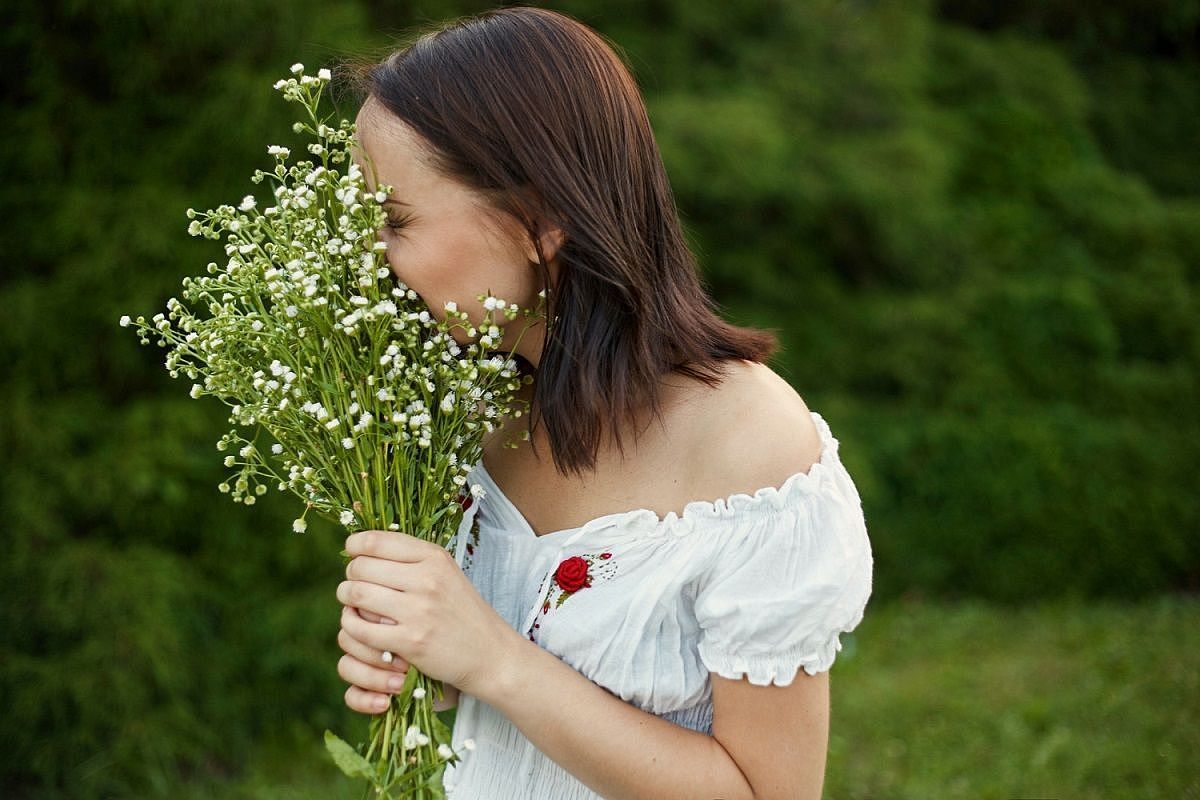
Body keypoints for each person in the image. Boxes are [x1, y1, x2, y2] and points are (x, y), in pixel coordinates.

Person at [333, 7, 874, 799]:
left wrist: (493, 657)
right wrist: (422, 651)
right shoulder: (464, 407)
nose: (364, 256)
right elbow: (493, 702)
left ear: (540, 220)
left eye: (392, 220)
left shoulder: (753, 451)